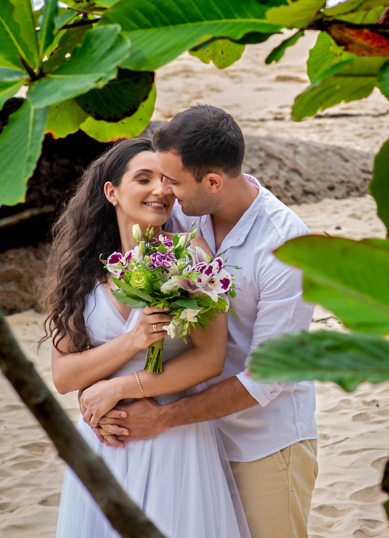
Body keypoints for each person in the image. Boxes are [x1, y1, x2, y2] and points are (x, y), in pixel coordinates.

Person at [94, 105, 319, 538]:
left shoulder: (286, 248)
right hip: (191, 446)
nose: (165, 192)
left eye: (173, 181)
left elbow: (265, 381)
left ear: (213, 181)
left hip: (262, 444)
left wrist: (161, 417)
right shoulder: (185, 211)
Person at [43, 137, 248, 538]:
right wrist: (133, 341)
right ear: (112, 191)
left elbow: (210, 359)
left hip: (174, 438)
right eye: (144, 178)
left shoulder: (192, 259)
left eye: (167, 180)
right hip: (105, 440)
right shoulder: (80, 271)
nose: (160, 190)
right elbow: (64, 376)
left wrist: (116, 387)